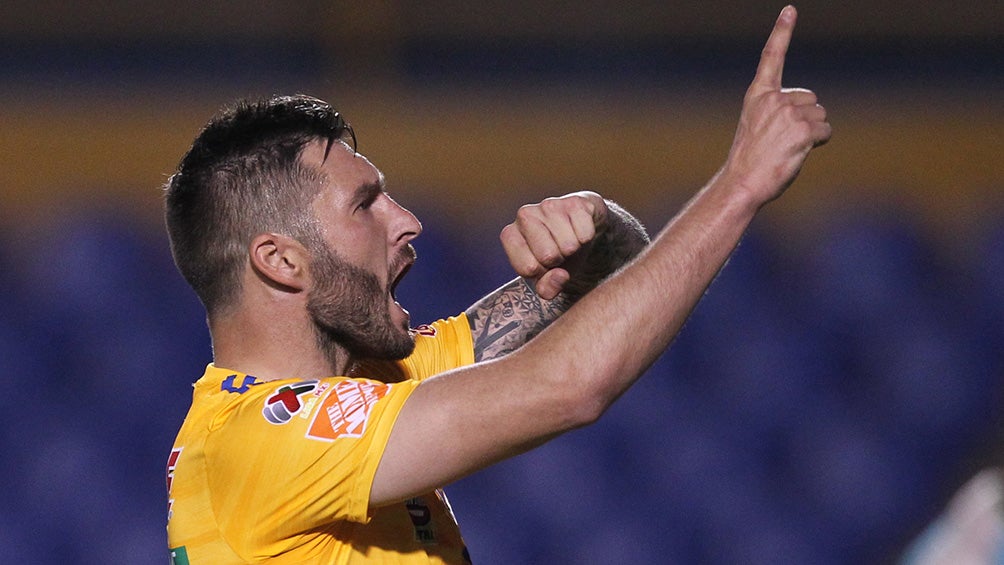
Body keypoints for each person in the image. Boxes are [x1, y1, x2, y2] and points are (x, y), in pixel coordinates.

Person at [164, 5, 829, 563]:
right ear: (281, 261)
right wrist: (741, 184)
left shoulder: (374, 381)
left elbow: (624, 291)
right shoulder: (251, 445)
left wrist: (598, 227)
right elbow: (568, 386)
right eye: (365, 204)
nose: (408, 220)